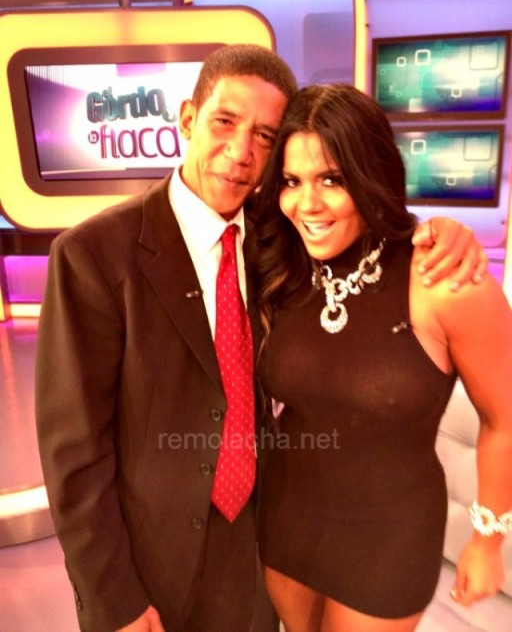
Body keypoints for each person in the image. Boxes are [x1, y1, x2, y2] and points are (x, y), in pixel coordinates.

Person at [35, 44, 487, 632]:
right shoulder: (95, 255)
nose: (241, 152)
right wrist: (112, 597)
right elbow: (74, 455)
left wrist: (443, 231)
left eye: (265, 136)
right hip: (148, 559)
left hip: (258, 545)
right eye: (225, 121)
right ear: (188, 118)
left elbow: (365, 222)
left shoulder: (283, 239)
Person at [254, 83, 512, 632]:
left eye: (332, 179)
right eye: (292, 182)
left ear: (371, 175)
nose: (307, 204)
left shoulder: (444, 279)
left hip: (388, 539)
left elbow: (505, 420)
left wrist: (488, 539)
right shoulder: (281, 265)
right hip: (286, 520)